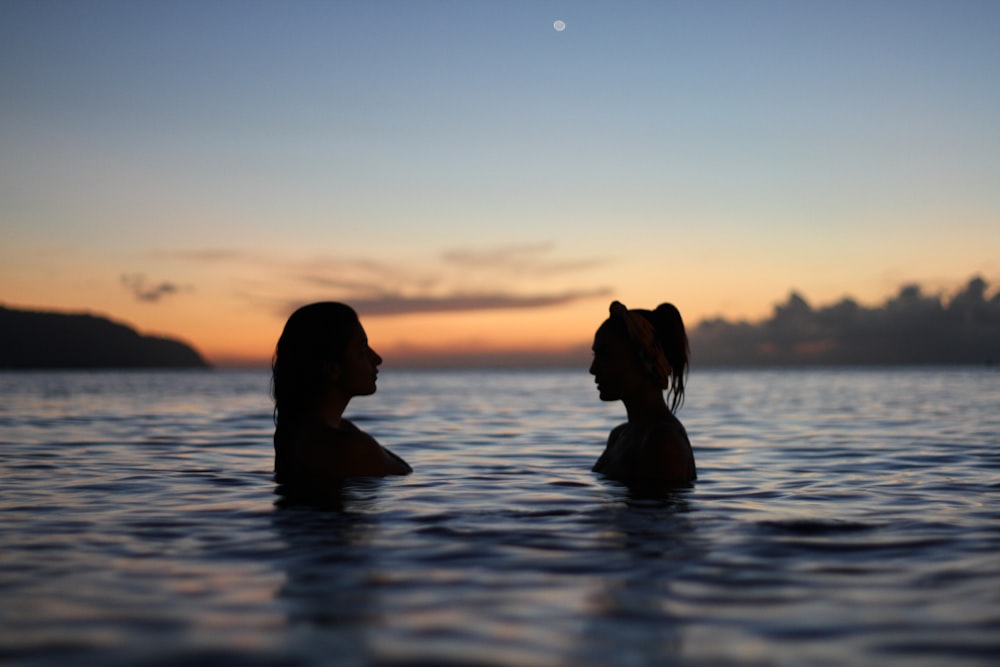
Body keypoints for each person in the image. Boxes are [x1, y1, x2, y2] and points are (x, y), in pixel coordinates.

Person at [271, 302, 411, 481]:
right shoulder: (350, 446)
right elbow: (406, 477)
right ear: (333, 370)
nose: (377, 358)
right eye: (362, 347)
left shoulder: (294, 432)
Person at [589, 300, 696, 484]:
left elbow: (653, 512)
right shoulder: (619, 436)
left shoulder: (663, 444)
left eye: (606, 355)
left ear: (644, 360)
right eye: (595, 356)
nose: (593, 368)